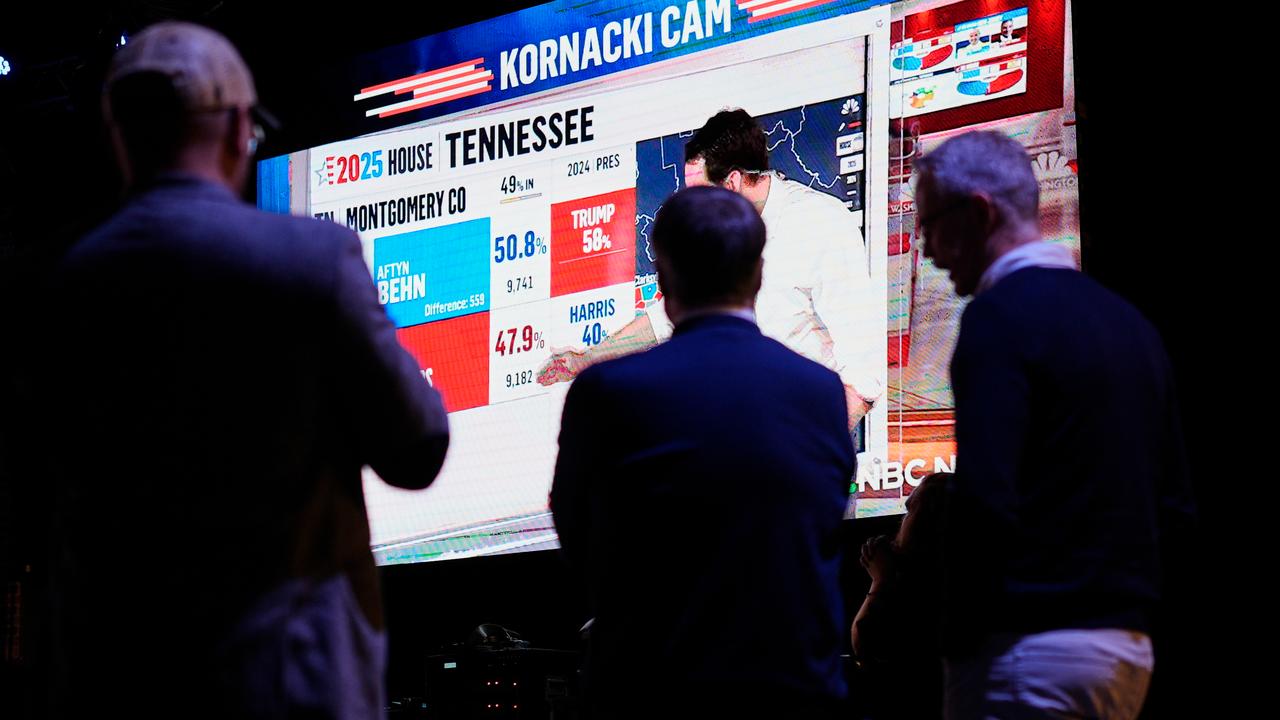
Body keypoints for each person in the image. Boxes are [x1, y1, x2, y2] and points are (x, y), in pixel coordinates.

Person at [47, 22, 449, 719]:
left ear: (118, 135)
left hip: (117, 681)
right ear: (238, 128)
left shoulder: (59, 287)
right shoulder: (312, 260)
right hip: (288, 682)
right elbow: (417, 449)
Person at [914, 130, 1196, 719]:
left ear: (978, 212)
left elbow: (987, 501)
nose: (925, 248)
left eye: (931, 223)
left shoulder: (999, 319)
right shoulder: (1132, 325)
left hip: (1026, 646)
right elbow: (1174, 508)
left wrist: (956, 644)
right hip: (1126, 654)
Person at [550, 186, 855, 718]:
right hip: (791, 695)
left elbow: (576, 533)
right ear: (758, 274)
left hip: (650, 691)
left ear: (662, 282)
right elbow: (825, 526)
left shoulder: (605, 393)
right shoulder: (820, 394)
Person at [539, 109, 882, 430]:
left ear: (732, 183)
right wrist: (586, 359)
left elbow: (864, 370)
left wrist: (815, 453)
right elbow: (668, 319)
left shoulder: (820, 223)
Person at [850, 472, 950, 719]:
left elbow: (865, 645)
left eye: (910, 511)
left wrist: (881, 581)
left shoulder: (917, 590)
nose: (901, 522)